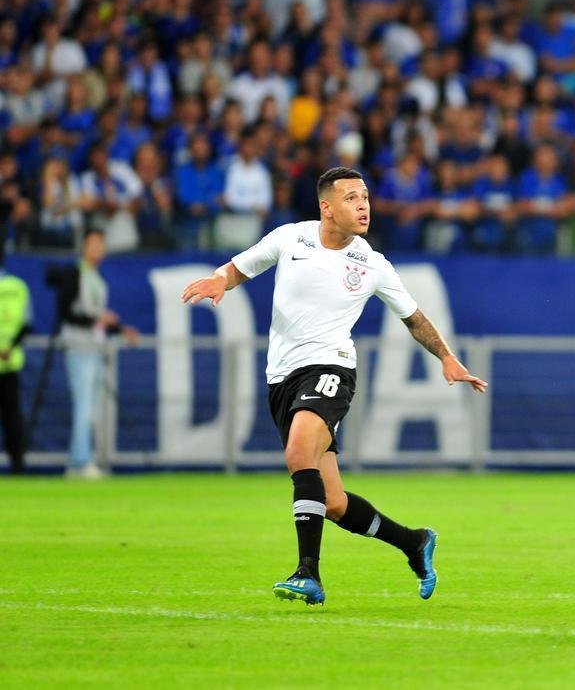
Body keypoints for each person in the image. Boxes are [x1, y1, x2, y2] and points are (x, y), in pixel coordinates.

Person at [181, 167, 487, 606]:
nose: (363, 206)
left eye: (365, 197)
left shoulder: (372, 263)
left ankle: (308, 572)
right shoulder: (291, 238)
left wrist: (447, 357)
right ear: (326, 207)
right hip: (281, 376)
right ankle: (414, 542)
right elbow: (241, 267)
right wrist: (219, 279)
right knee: (333, 501)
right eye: (351, 198)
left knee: (298, 454)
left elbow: (414, 318)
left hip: (331, 367)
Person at [51, 228, 139, 478]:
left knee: (91, 407)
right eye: (93, 244)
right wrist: (97, 319)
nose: (97, 249)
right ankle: (81, 461)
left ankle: (77, 460)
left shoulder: (96, 277)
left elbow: (97, 317)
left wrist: (119, 329)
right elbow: (66, 312)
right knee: (84, 406)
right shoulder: (74, 273)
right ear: (84, 247)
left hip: (94, 347)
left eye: (101, 244)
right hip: (79, 346)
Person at [0, 257, 30, 474]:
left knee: (12, 418)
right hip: (10, 359)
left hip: (10, 364)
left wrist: (9, 347)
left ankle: (17, 466)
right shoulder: (18, 286)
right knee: (13, 417)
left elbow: (26, 323)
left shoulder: (18, 287)